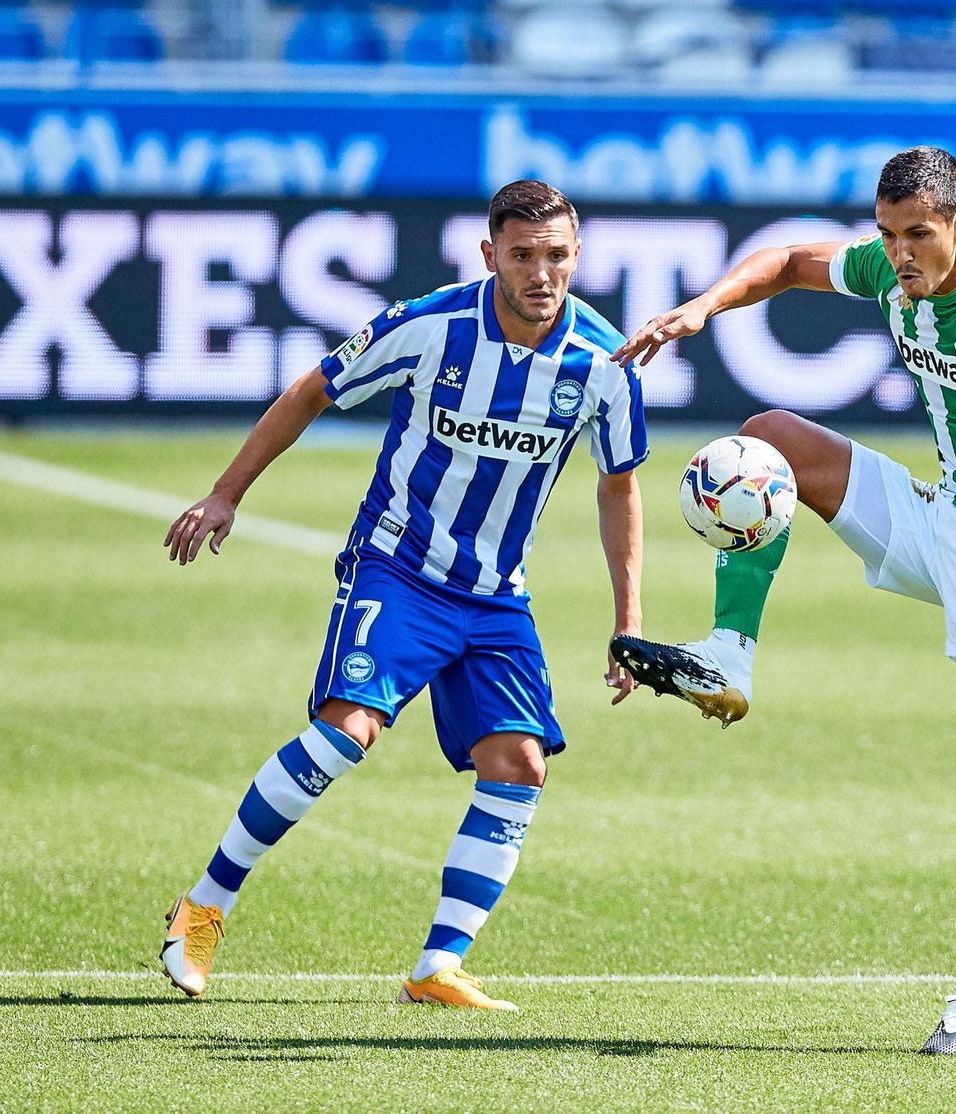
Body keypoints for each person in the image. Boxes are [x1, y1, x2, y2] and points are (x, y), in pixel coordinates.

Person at [609, 147, 956, 1053]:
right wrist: (704, 306)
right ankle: (729, 656)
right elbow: (789, 262)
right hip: (939, 515)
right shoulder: (891, 272)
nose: (899, 254)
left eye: (917, 234)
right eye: (887, 234)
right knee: (766, 441)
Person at [159, 179, 647, 1010]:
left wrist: (627, 621)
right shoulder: (430, 326)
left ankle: (437, 967)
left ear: (578, 255)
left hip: (496, 596)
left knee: (519, 763)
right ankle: (203, 906)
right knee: (347, 731)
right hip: (399, 566)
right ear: (489, 255)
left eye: (556, 256)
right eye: (522, 256)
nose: (541, 273)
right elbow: (313, 390)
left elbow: (619, 485)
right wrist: (226, 494)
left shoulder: (605, 361)